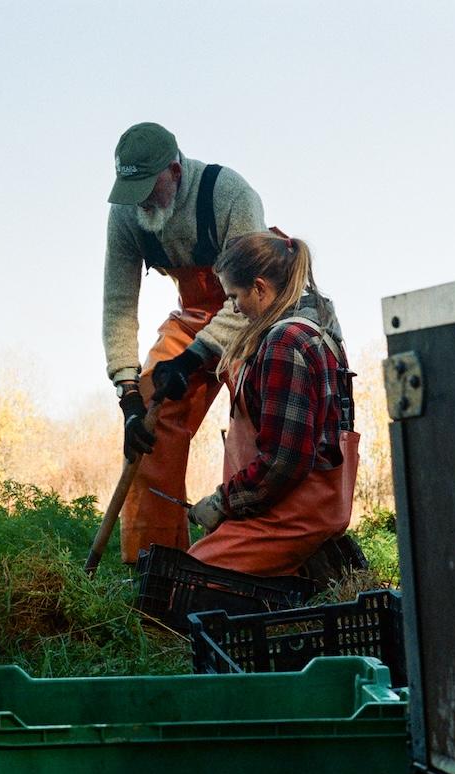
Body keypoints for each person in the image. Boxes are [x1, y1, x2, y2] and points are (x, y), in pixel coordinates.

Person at [103, 122, 266, 564]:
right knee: (149, 421)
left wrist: (194, 357)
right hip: (194, 315)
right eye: (130, 189)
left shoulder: (229, 194)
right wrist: (128, 392)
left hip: (254, 313)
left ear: (174, 172)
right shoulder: (126, 214)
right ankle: (155, 566)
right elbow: (118, 304)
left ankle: (248, 559)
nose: (138, 201)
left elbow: (251, 296)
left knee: (256, 423)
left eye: (147, 188)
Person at [184, 229, 360, 577]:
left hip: (291, 512)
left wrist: (223, 502)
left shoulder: (285, 342)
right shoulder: (315, 330)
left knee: (191, 581)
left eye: (235, 297)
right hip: (288, 504)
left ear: (260, 288)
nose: (235, 308)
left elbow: (285, 461)